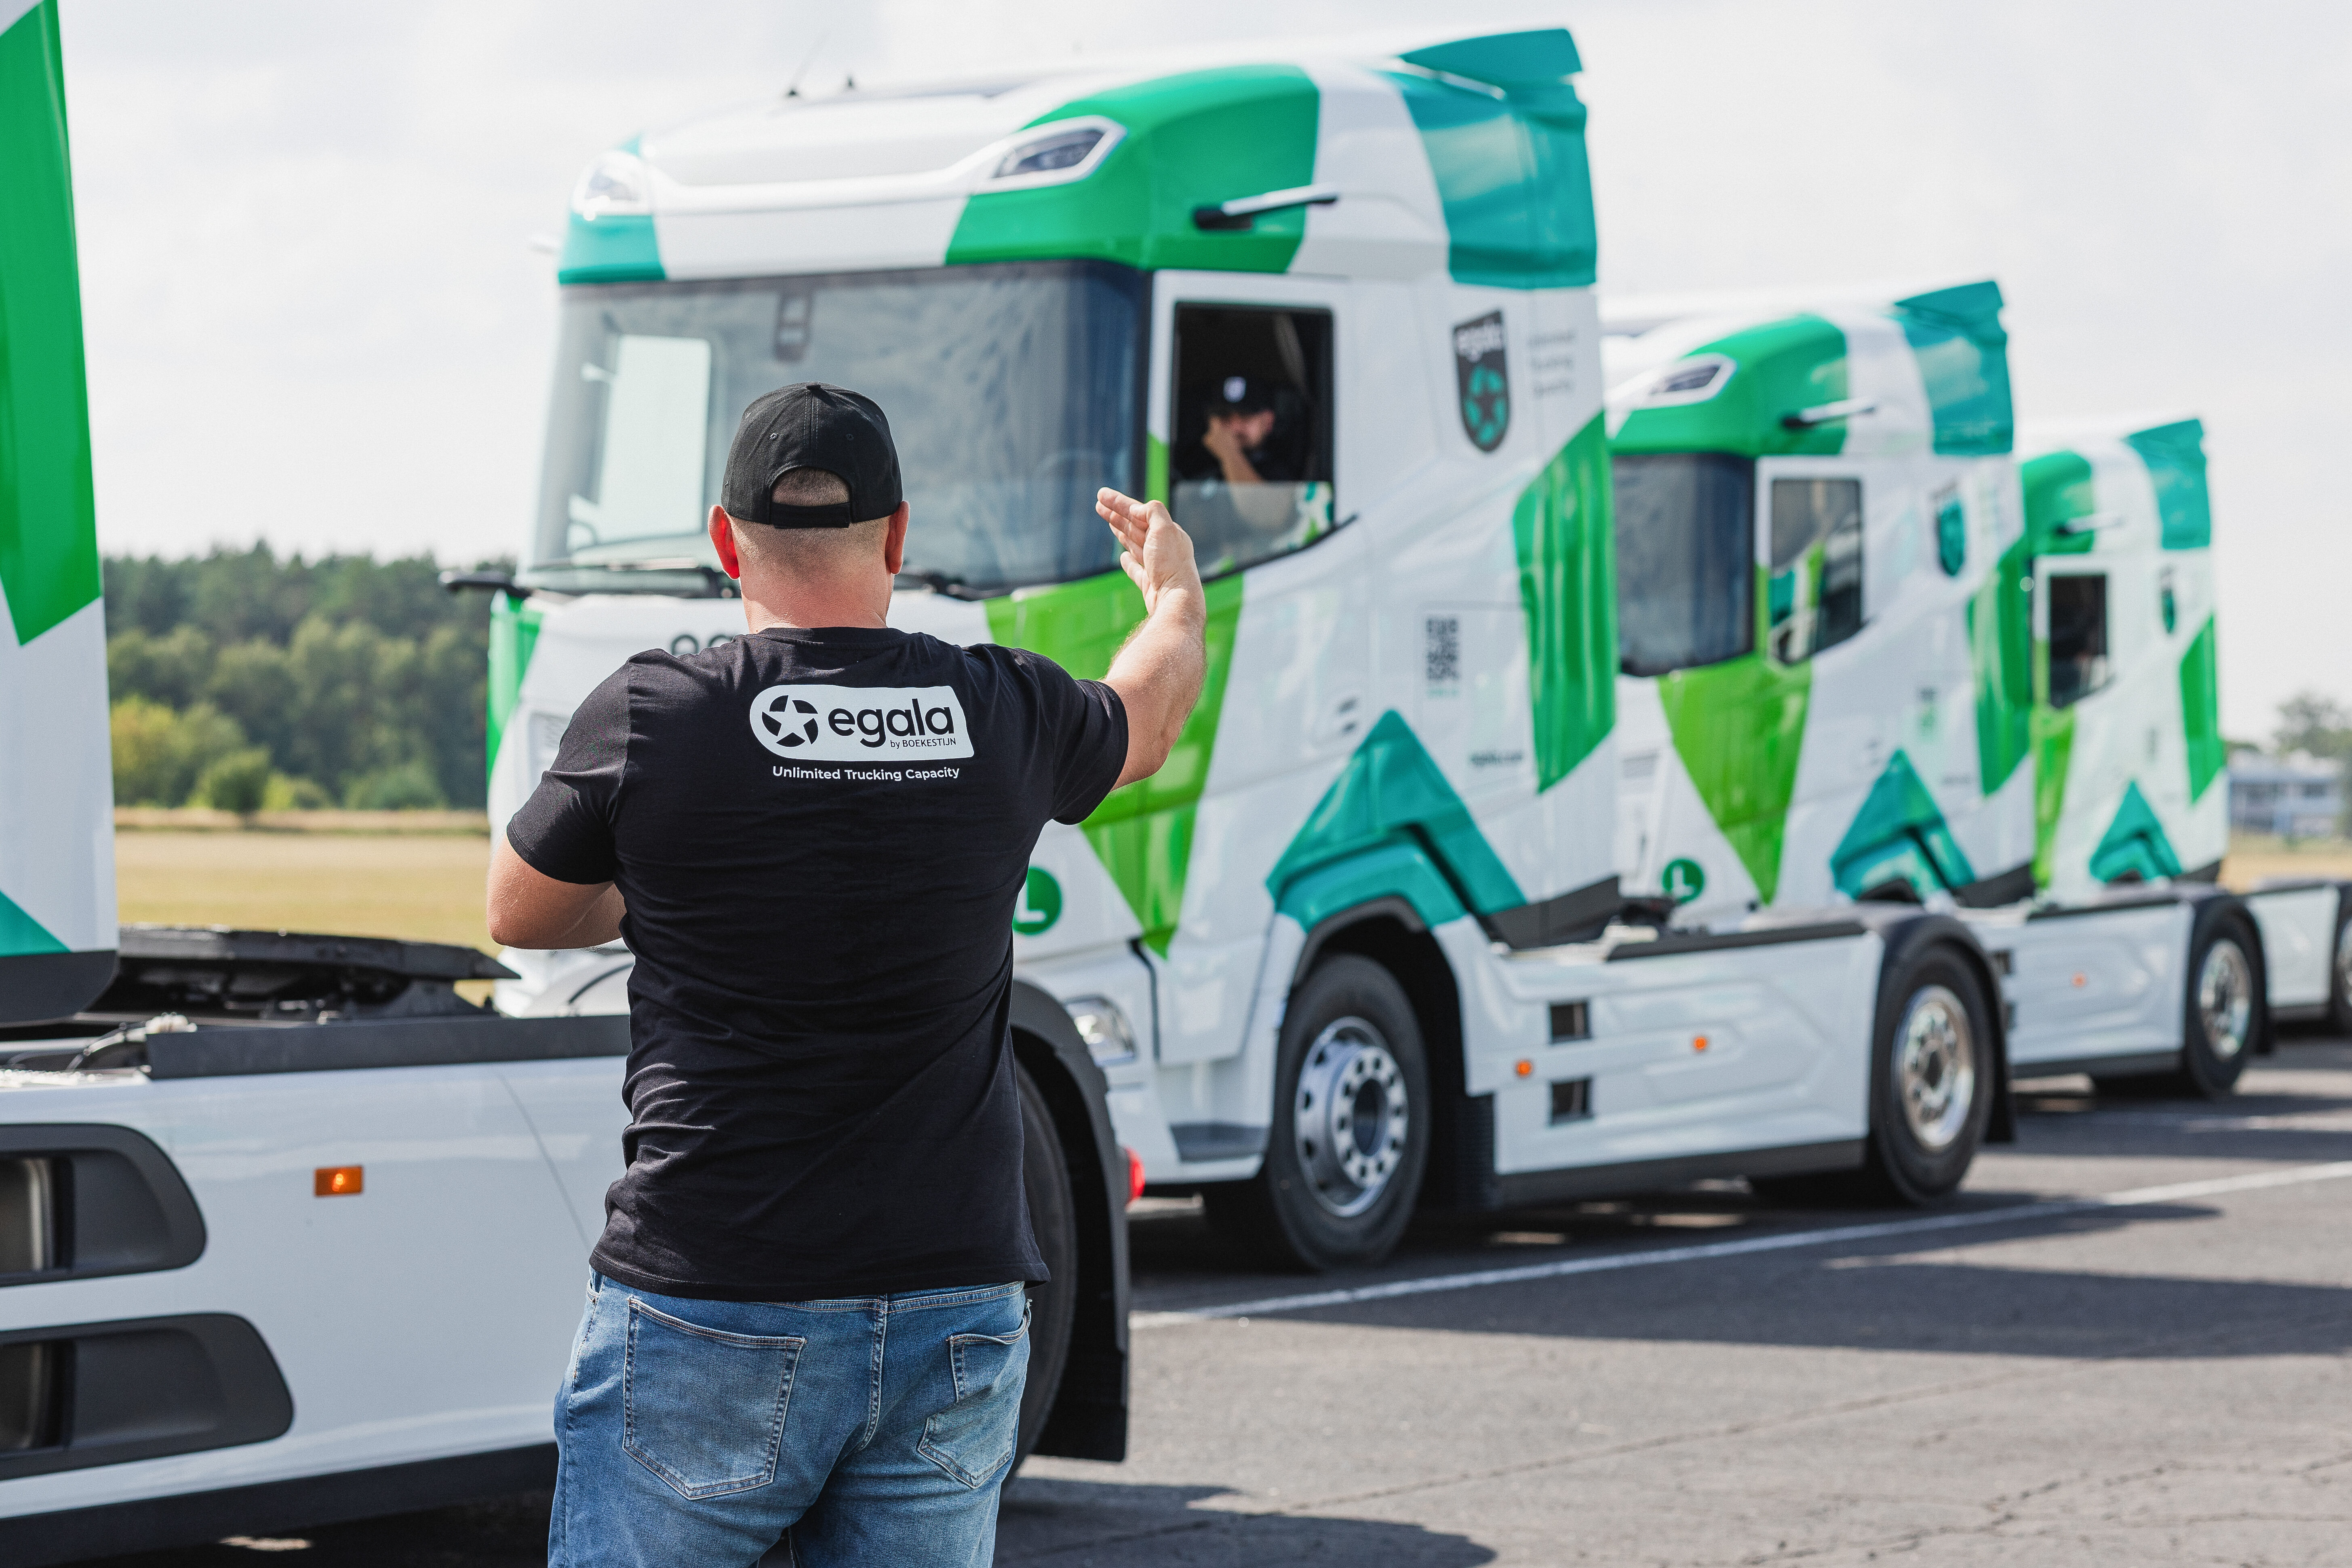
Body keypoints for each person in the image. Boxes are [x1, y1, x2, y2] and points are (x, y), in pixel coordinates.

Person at [486, 382, 1206, 1568]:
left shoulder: (655, 715)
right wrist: (1171, 593)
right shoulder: (998, 706)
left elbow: (520, 910)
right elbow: (1148, 715)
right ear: (898, 533)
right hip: (954, 1303)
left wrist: (664, 887)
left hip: (714, 1293)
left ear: (725, 541)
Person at [1195, 372, 1296, 487]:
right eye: (1226, 417)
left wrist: (1229, 453)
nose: (1235, 428)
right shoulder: (1196, 463)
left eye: (1245, 417)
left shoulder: (1287, 468)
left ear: (1269, 421)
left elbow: (1260, 504)